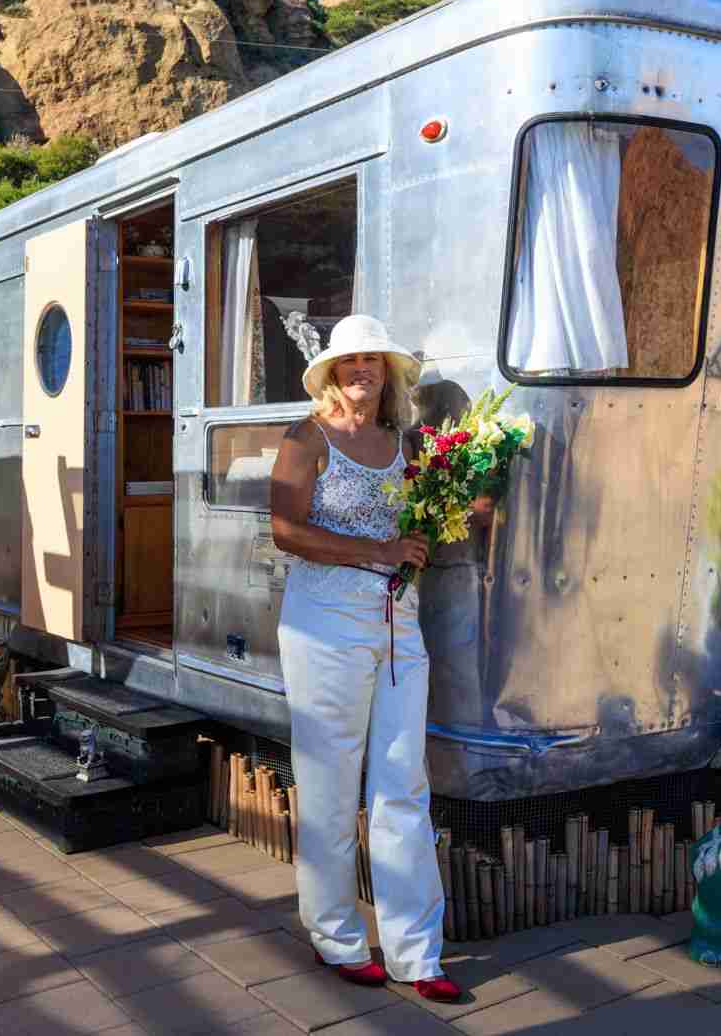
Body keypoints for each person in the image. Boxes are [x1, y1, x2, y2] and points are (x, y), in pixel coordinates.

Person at [268, 314, 465, 1002]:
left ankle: (419, 954)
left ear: (388, 373)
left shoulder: (402, 444)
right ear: (331, 373)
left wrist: (450, 514)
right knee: (328, 787)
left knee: (402, 783)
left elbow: (416, 531)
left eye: (373, 362)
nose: (362, 372)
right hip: (324, 625)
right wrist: (377, 552)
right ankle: (336, 937)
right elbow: (286, 529)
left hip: (396, 624)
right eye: (351, 362)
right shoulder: (308, 436)